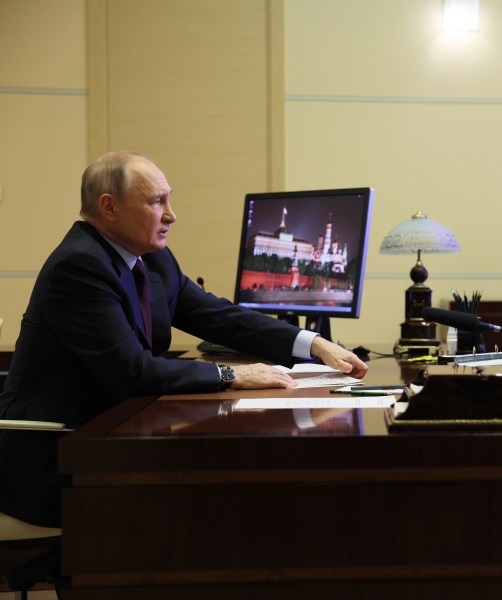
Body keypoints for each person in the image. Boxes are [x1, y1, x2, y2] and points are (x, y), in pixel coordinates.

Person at [0, 151, 368, 528]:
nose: (171, 214)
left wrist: (313, 343)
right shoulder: (79, 266)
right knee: (204, 507)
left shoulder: (152, 259)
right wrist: (231, 375)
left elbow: (217, 315)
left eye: (168, 199)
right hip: (59, 453)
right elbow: (134, 371)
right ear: (108, 207)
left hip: (113, 435)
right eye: (156, 201)